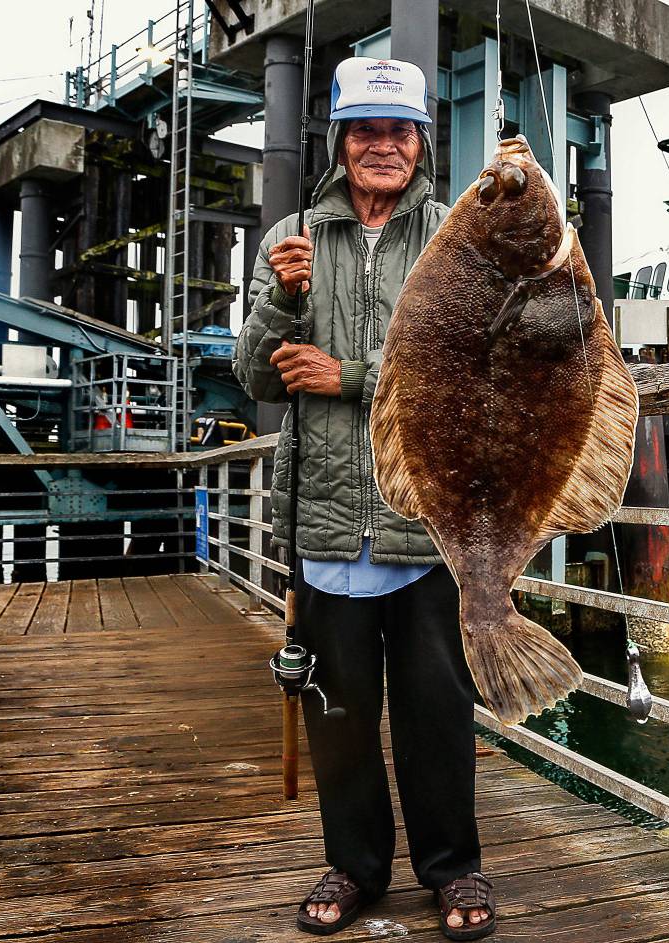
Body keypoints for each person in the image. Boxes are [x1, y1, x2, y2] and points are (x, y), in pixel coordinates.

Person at [234, 57, 495, 940]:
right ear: (341, 141)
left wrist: (349, 376)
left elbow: (470, 370)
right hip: (327, 517)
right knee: (339, 715)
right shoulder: (293, 233)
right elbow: (249, 373)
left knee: (437, 710)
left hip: (428, 516)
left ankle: (454, 870)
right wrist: (282, 297)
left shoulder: (456, 234)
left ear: (422, 139)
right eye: (364, 130)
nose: (382, 146)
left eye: (398, 130)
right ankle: (354, 864)